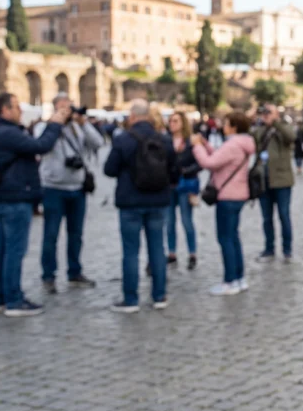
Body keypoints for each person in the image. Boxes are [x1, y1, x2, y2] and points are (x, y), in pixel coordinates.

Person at [0, 93, 68, 316]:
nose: (20, 110)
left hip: (2, 196)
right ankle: (13, 300)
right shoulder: (8, 133)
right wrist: (54, 125)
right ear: (5, 110)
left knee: (2, 248)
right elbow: (41, 145)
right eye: (16, 107)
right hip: (14, 197)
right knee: (14, 250)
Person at [103, 99, 177, 313]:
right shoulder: (164, 139)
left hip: (130, 201)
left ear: (133, 116)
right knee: (157, 249)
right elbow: (174, 170)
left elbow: (109, 169)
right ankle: (159, 295)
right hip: (158, 200)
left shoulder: (123, 139)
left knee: (131, 252)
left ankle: (131, 299)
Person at [35, 94, 104, 294]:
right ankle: (49, 275)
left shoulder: (77, 127)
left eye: (69, 108)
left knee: (76, 234)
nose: (68, 112)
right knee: (51, 234)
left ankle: (75, 271)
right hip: (53, 188)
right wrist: (55, 124)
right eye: (63, 108)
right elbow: (41, 145)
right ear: (55, 109)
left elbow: (98, 142)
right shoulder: (44, 127)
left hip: (77, 187)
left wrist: (84, 123)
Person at [191, 111, 256, 295]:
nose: (222, 126)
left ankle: (229, 281)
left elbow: (209, 163)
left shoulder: (233, 145)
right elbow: (222, 159)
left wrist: (197, 147)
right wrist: (206, 144)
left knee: (225, 239)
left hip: (227, 196)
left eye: (226, 123)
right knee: (234, 238)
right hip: (238, 195)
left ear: (234, 126)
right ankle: (240, 278)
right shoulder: (242, 144)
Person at [253, 103, 296, 262]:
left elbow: (290, 137)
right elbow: (253, 141)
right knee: (266, 218)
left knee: (284, 216)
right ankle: (269, 249)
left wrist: (276, 122)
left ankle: (287, 250)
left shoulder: (284, 126)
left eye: (269, 112)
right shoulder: (260, 130)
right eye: (264, 112)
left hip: (282, 181)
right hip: (264, 181)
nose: (266, 115)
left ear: (277, 113)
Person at [165, 111, 200, 270]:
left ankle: (192, 253)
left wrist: (187, 170)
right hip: (168, 186)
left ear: (183, 123)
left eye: (176, 121)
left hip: (185, 185)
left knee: (187, 221)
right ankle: (172, 253)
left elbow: (200, 162)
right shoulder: (165, 141)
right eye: (171, 121)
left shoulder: (191, 141)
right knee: (169, 222)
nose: (172, 124)